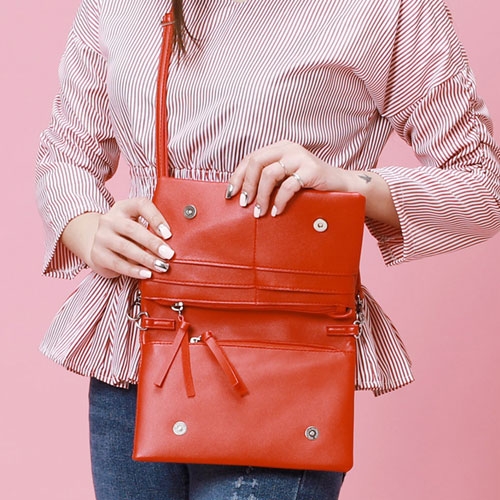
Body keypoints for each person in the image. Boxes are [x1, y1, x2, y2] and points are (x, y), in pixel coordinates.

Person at [36, 0, 500, 499]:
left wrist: (347, 185)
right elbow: (65, 152)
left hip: (280, 350)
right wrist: (90, 231)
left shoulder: (390, 9)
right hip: (136, 348)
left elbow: (483, 184)